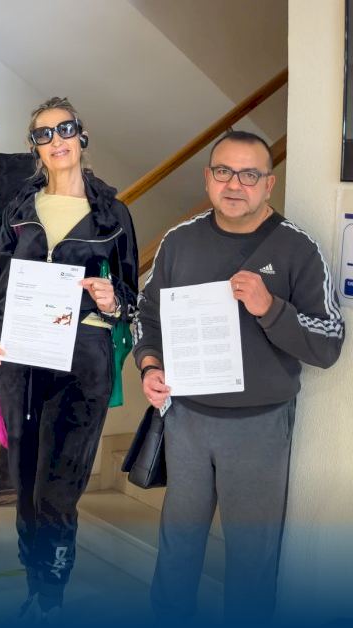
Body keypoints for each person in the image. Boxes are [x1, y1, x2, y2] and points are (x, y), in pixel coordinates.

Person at [135, 130, 344, 623]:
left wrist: (270, 308)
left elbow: (330, 342)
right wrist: (150, 365)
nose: (235, 184)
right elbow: (148, 314)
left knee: (252, 558)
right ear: (207, 178)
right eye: (224, 172)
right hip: (186, 420)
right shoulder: (179, 241)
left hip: (258, 428)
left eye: (249, 175)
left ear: (269, 184)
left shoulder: (297, 249)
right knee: (177, 548)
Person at [0, 97, 139, 620]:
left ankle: (51, 595)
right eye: (44, 134)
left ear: (81, 135)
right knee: (25, 485)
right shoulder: (19, 209)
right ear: (35, 147)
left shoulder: (112, 214)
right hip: (22, 360)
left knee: (58, 490)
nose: (56, 141)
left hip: (83, 362)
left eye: (64, 129)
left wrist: (113, 301)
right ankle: (34, 582)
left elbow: (131, 296)